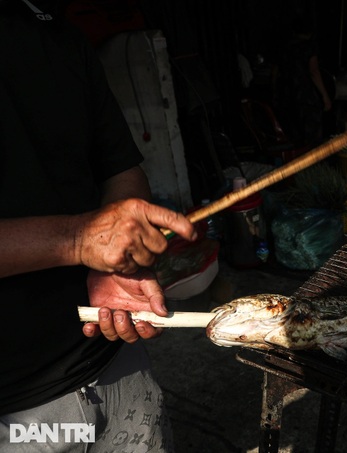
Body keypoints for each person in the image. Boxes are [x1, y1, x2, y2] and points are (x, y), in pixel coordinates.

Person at [0, 2, 196, 451]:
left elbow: (121, 169)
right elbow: (85, 235)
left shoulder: (50, 30)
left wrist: (115, 264)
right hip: (12, 409)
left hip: (111, 360)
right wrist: (78, 239)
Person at [272, 16, 333, 148]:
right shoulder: (309, 47)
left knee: (294, 136)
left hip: (287, 95)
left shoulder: (284, 46)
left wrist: (274, 91)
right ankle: (312, 165)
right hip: (306, 96)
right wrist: (325, 96)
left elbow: (275, 71)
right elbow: (314, 71)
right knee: (312, 137)